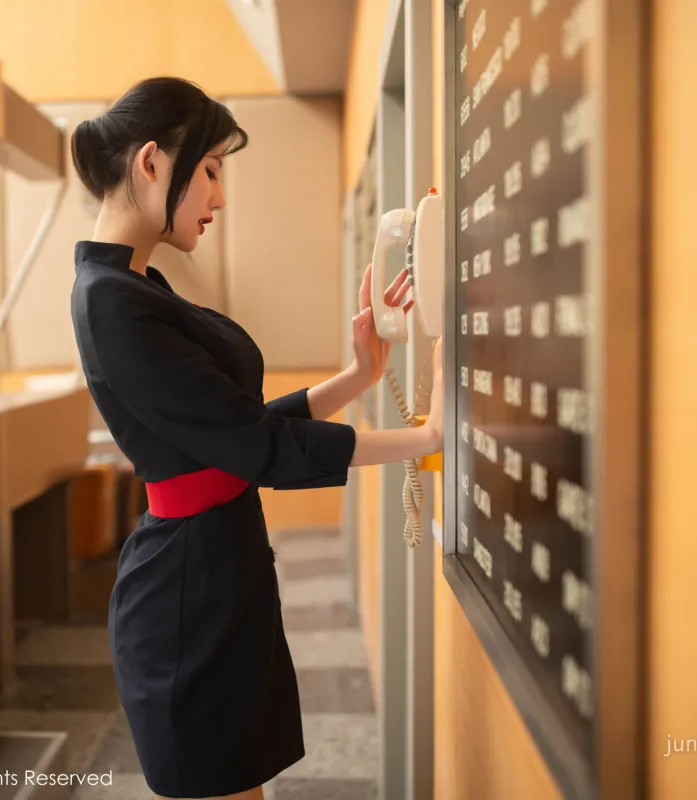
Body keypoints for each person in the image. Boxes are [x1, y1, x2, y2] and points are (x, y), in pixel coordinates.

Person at [69, 77, 444, 800]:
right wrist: (423, 438)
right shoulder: (113, 300)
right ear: (152, 162)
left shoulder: (135, 285)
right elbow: (259, 449)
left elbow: (234, 429)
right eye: (210, 169)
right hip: (187, 602)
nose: (219, 197)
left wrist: (359, 377)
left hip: (215, 573)